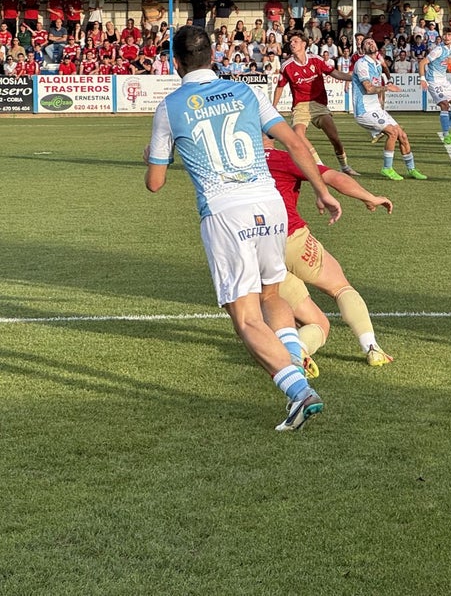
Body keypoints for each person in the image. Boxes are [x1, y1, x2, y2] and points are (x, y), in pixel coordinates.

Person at [144, 25, 341, 432]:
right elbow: (295, 142)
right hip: (269, 205)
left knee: (246, 317)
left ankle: (298, 391)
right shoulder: (246, 92)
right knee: (271, 293)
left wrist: (152, 154)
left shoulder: (170, 106)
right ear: (212, 56)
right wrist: (321, 189)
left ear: (175, 62)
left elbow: (155, 182)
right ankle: (295, 357)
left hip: (225, 212)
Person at [263, 135, 395, 369]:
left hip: (254, 253)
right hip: (289, 238)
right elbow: (333, 177)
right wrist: (370, 197)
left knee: (319, 324)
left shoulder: (233, 167)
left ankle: (298, 351)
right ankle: (372, 348)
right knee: (340, 287)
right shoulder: (282, 158)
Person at [272, 32, 360, 177]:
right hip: (300, 106)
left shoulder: (316, 60)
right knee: (298, 134)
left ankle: (344, 166)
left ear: (304, 44)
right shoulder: (286, 66)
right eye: (291, 42)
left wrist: (352, 78)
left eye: (295, 41)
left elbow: (334, 73)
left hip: (319, 104)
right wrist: (273, 106)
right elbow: (280, 87)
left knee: (335, 139)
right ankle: (319, 165)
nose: (292, 44)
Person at [350, 37, 427, 181]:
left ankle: (412, 169)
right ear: (363, 48)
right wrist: (387, 87)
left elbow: (381, 75)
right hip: (364, 110)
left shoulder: (377, 63)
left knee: (402, 135)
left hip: (375, 108)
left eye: (372, 41)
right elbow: (368, 88)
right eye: (367, 43)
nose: (370, 43)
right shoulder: (362, 64)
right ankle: (387, 168)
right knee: (392, 133)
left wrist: (385, 88)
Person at [419, 27, 451, 145]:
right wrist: (422, 79)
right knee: (444, 104)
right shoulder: (438, 50)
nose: (446, 37)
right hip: (433, 81)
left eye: (449, 35)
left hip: (444, 81)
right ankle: (446, 134)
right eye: (445, 35)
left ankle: (448, 126)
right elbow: (422, 62)